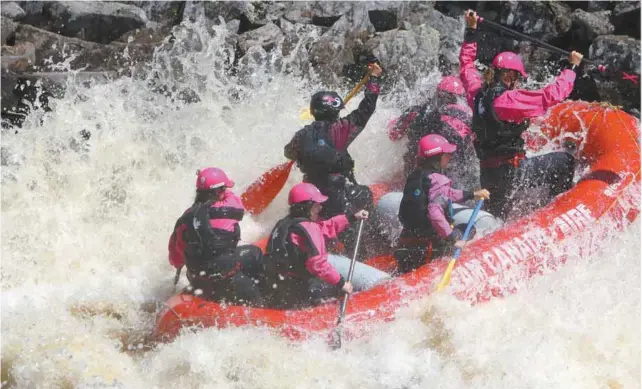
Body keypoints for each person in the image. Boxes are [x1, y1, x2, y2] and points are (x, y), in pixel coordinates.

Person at [460, 10, 582, 219]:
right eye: (517, 76)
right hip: (512, 174)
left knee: (499, 216)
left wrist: (471, 31)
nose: (518, 81)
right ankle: (555, 213)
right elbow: (551, 95)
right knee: (565, 161)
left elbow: (466, 65)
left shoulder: (476, 93)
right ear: (509, 74)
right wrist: (572, 67)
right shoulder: (509, 101)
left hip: (488, 176)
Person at [283, 62, 384, 253]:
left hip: (313, 197)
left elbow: (288, 153)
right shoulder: (340, 129)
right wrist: (374, 80)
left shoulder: (301, 135)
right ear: (336, 111)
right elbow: (366, 110)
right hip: (338, 195)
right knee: (365, 194)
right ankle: (369, 247)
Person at [262, 182, 390, 309]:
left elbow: (326, 227)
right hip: (301, 286)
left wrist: (351, 217)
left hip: (280, 282)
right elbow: (318, 264)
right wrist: (341, 283)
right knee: (337, 288)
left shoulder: (284, 223)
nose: (320, 208)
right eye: (317, 205)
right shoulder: (309, 227)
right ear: (308, 206)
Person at [394, 134, 491, 273]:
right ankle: (457, 260)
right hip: (429, 245)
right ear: (437, 158)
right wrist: (452, 239)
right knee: (468, 229)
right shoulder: (438, 180)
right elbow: (434, 213)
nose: (450, 157)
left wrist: (472, 194)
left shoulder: (416, 176)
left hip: (407, 240)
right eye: (447, 154)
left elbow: (447, 193)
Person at [168, 167, 264, 305]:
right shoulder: (230, 208)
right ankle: (264, 292)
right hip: (228, 280)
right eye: (224, 189)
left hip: (198, 281)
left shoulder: (185, 219)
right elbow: (237, 203)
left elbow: (175, 259)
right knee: (255, 254)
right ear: (219, 192)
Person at [388, 75, 480, 192]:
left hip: (423, 165)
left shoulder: (418, 111)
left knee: (413, 152)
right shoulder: (467, 115)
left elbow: (393, 134)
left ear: (438, 93)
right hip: (453, 167)